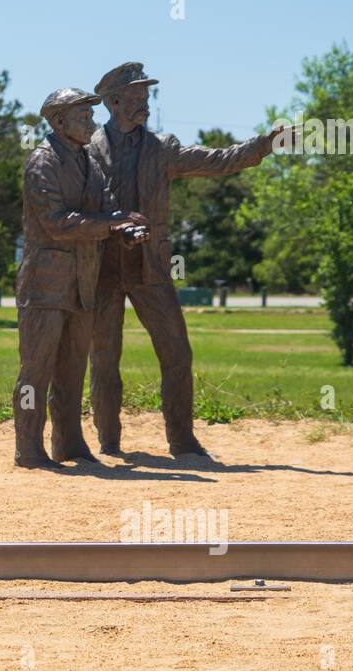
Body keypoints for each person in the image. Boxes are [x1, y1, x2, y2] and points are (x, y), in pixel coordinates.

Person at [87, 61, 288, 459]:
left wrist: (264, 144)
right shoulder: (86, 151)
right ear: (112, 102)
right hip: (102, 269)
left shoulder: (163, 149)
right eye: (134, 97)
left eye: (146, 96)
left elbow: (219, 160)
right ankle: (108, 441)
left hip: (151, 268)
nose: (143, 103)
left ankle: (182, 440)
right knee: (104, 357)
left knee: (177, 352)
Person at [13, 87, 148, 468]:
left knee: (72, 369)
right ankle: (28, 447)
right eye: (83, 116)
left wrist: (128, 229)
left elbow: (107, 208)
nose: (92, 122)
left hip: (82, 283)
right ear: (59, 121)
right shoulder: (42, 162)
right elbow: (58, 223)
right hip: (46, 284)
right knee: (36, 370)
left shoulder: (89, 161)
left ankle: (69, 444)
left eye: (91, 116)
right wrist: (113, 223)